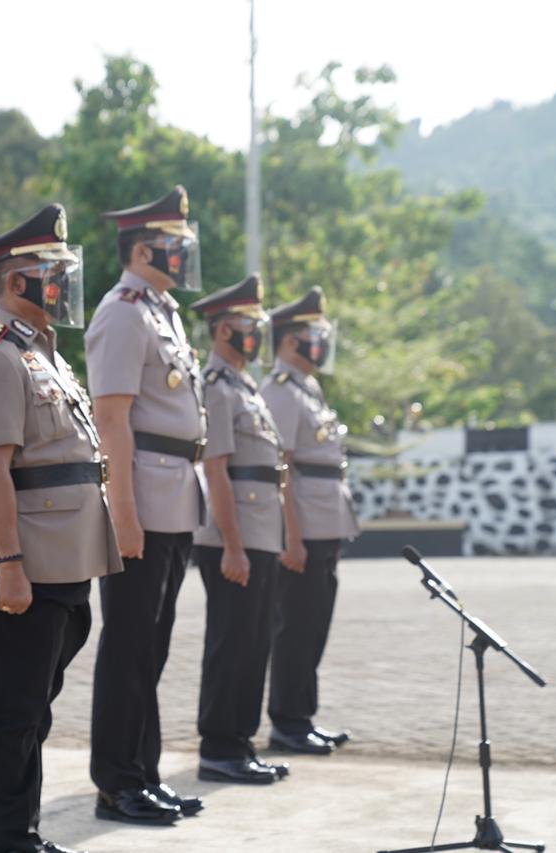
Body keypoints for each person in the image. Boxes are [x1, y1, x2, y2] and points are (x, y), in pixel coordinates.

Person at [0, 204, 121, 853]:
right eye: (52, 272)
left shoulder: (45, 354)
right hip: (22, 556)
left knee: (32, 703)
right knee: (16, 706)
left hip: (66, 555)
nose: (63, 284)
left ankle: (19, 827)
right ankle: (9, 835)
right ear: (15, 280)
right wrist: (10, 562)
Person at [85, 186, 207, 825]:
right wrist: (122, 512)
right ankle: (115, 782)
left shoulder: (163, 311)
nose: (184, 255)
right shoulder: (123, 311)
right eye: (174, 244)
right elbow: (113, 417)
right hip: (144, 502)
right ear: (141, 248)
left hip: (175, 499)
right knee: (129, 645)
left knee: (151, 648)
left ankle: (144, 773)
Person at [188, 274, 288, 785]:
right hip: (235, 537)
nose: (255, 333)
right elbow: (217, 469)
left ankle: (240, 743)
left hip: (260, 533)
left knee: (255, 642)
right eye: (248, 325)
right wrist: (231, 545)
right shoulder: (217, 387)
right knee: (232, 643)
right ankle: (219, 748)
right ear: (223, 329)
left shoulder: (247, 386)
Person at [262, 287, 356, 754]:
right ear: (287, 341)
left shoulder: (307, 387)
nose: (320, 341)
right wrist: (290, 537)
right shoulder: (279, 391)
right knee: (295, 627)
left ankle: (303, 716)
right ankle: (287, 722)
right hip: (304, 527)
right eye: (310, 334)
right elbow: (281, 469)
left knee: (314, 624)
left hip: (327, 521)